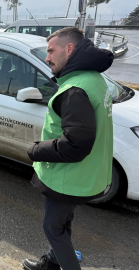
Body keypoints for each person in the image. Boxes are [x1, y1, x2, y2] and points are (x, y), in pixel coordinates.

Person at [22, 27, 114, 270]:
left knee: (52, 227)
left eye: (51, 51)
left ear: (70, 49)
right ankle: (52, 262)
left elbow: (76, 143)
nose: (47, 57)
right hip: (83, 174)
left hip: (68, 176)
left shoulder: (75, 89)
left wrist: (36, 150)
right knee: (62, 223)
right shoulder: (93, 78)